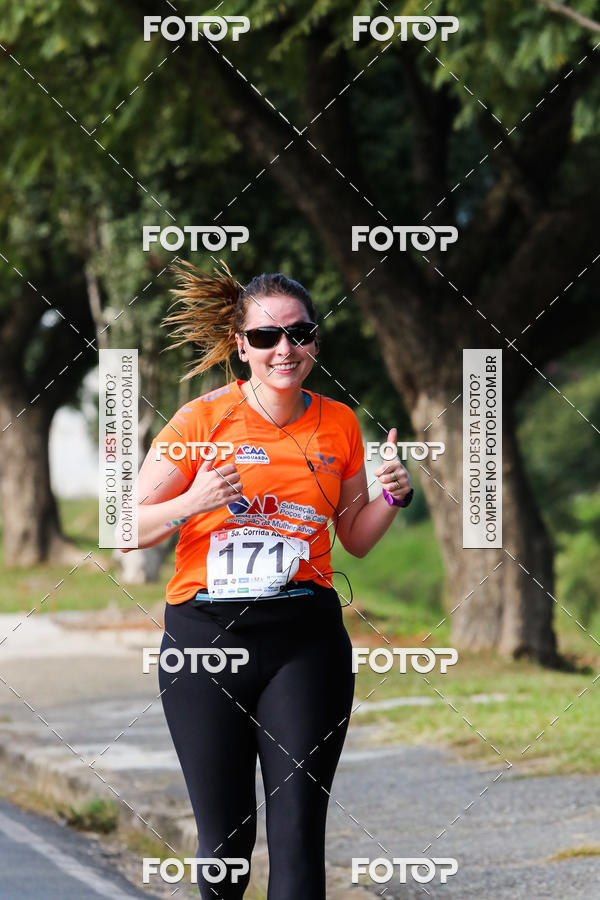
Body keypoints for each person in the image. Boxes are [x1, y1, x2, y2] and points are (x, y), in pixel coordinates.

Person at [134, 261, 413, 899]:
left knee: (297, 840)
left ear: (314, 339)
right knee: (226, 844)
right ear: (241, 346)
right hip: (207, 641)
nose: (282, 350)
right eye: (265, 337)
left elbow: (355, 539)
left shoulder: (339, 423)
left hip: (304, 640)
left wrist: (392, 498)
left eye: (298, 333)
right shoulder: (200, 422)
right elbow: (125, 527)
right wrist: (194, 500)